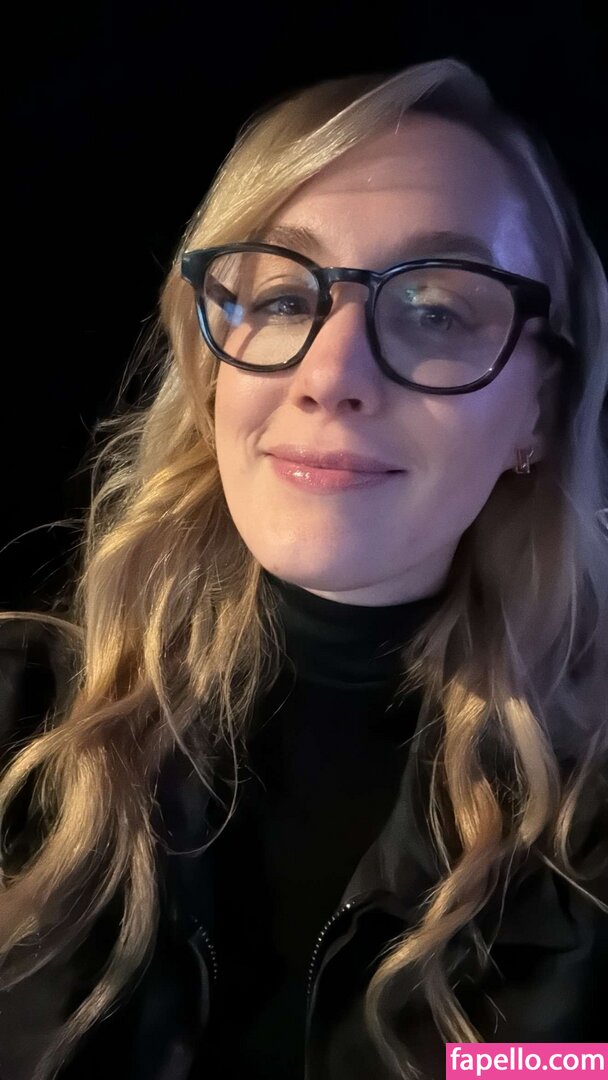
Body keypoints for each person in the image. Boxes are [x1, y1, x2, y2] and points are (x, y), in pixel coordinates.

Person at [1, 55, 607, 1080]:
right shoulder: (18, 719)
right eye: (283, 297)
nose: (330, 374)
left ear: (537, 413)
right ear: (210, 369)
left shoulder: (588, 834)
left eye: (434, 309)